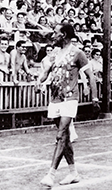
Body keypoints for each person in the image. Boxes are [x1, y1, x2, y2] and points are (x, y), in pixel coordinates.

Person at [37, 24, 99, 187]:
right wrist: (39, 83)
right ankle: (73, 173)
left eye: (55, 33)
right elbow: (45, 73)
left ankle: (51, 174)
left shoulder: (78, 53)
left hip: (70, 99)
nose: (52, 36)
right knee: (65, 139)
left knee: (61, 134)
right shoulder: (54, 54)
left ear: (63, 34)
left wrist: (94, 98)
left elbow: (90, 76)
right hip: (55, 99)